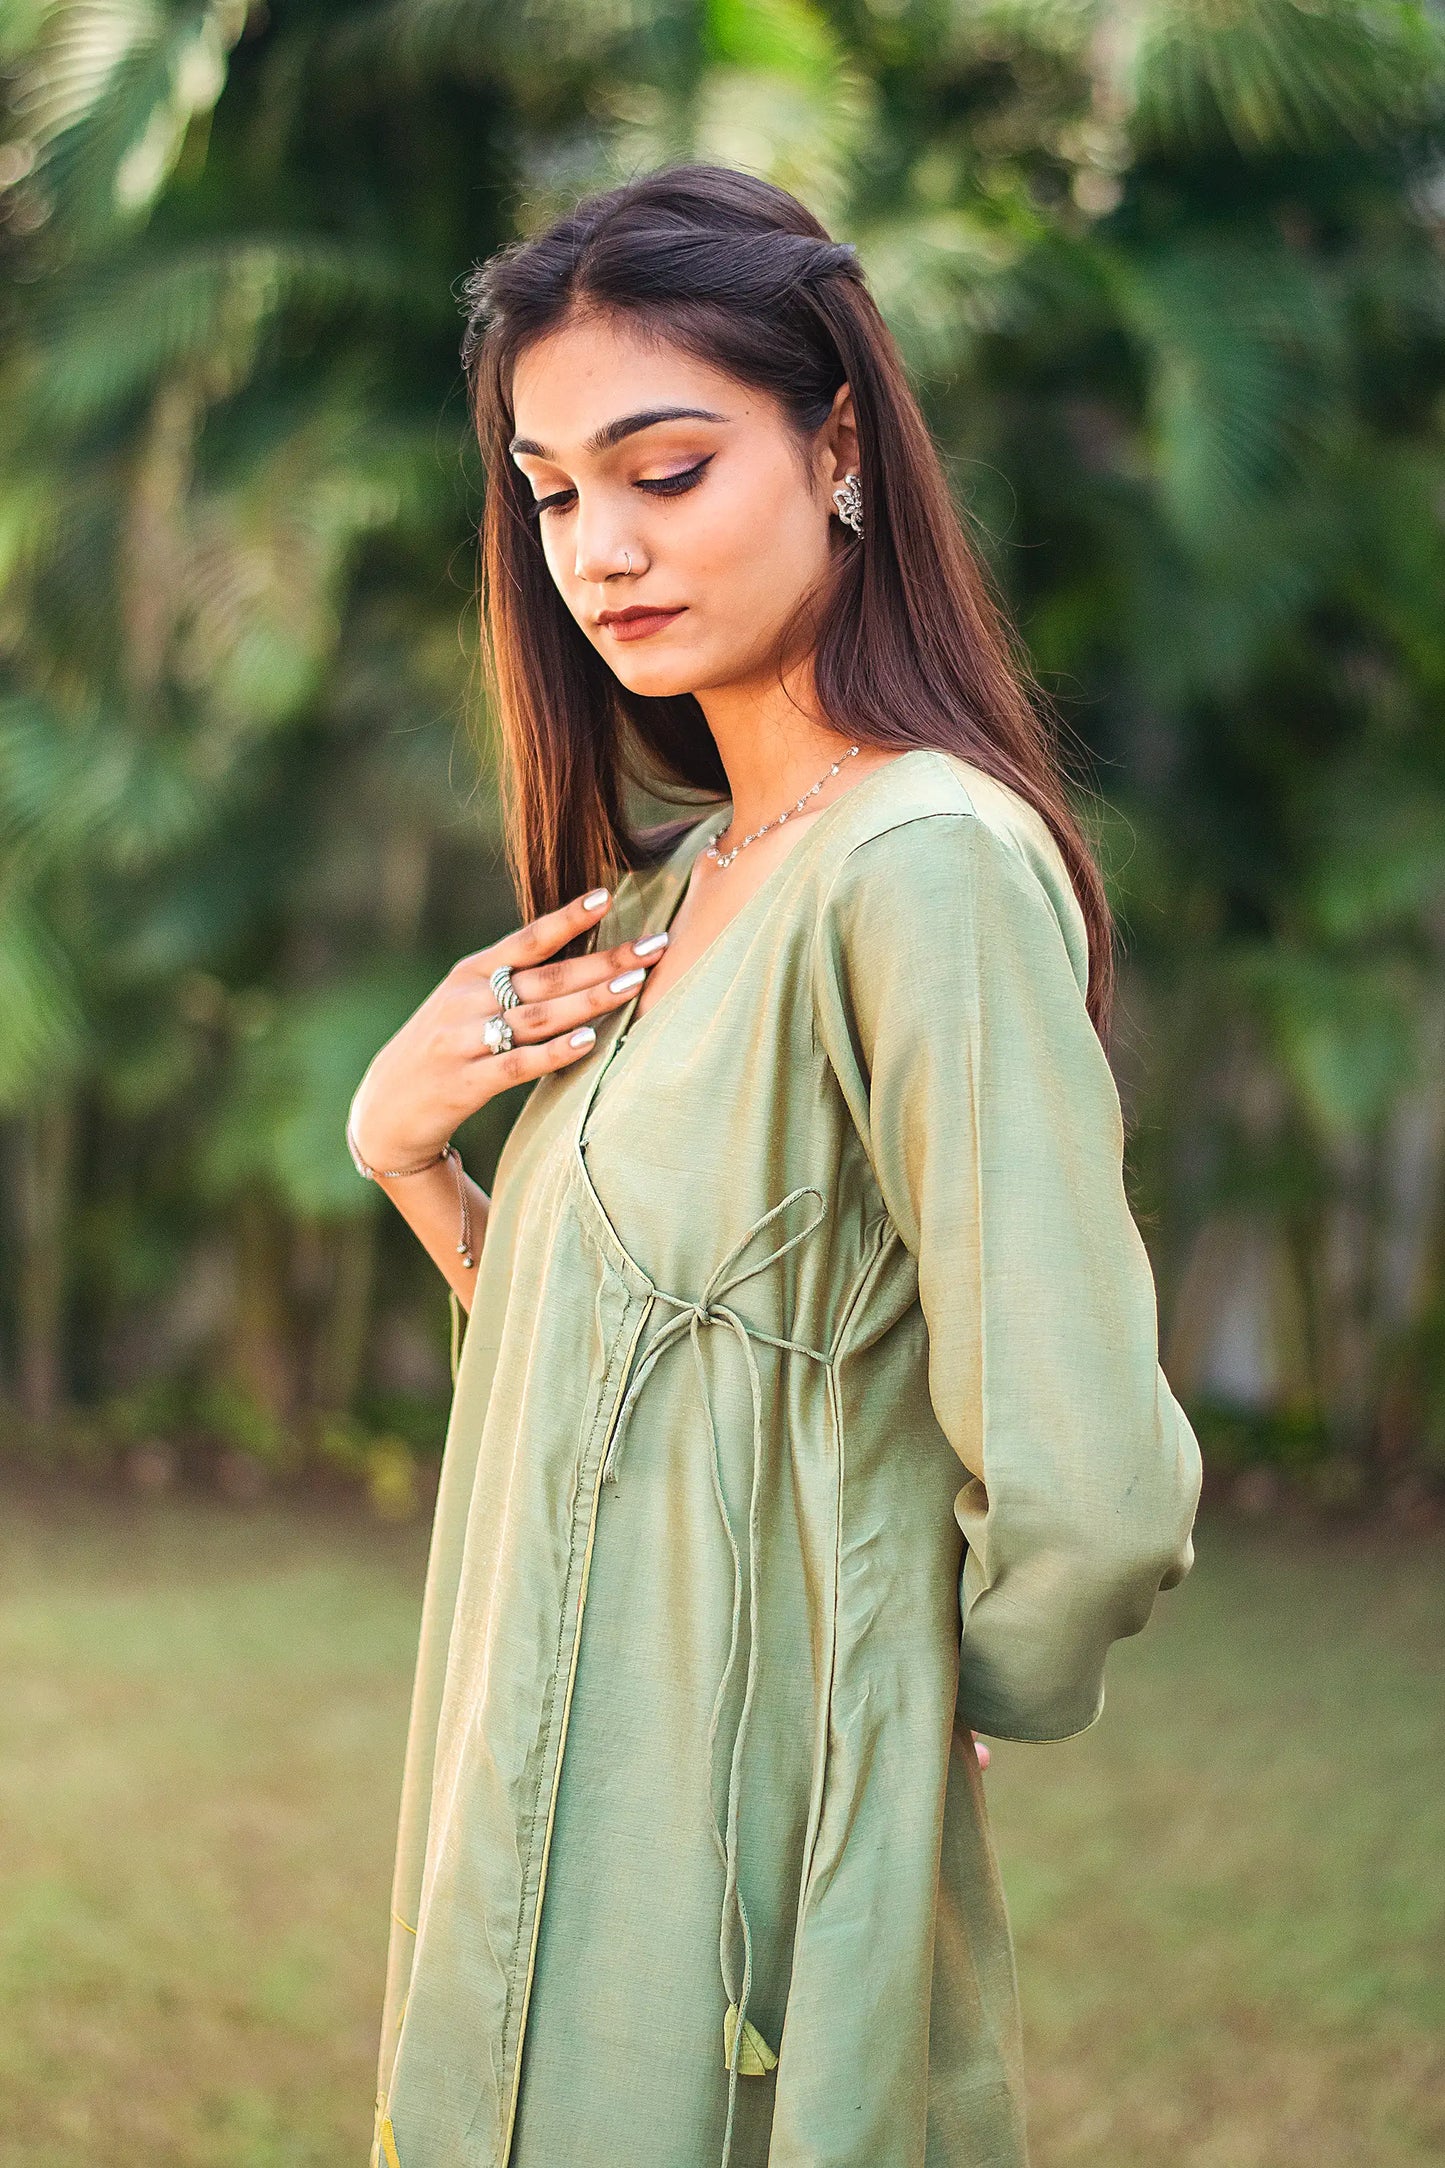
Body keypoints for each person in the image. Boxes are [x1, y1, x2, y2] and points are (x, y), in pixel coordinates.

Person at [347, 162, 1203, 2168]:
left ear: (836, 449)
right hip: (531, 1816)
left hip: (728, 1874)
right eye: (554, 492)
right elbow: (628, 1398)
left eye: (664, 468)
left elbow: (1086, 1485)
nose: (600, 548)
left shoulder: (921, 866)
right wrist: (413, 1165)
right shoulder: (661, 899)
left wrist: (915, 1695)